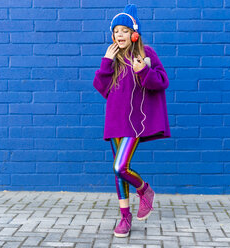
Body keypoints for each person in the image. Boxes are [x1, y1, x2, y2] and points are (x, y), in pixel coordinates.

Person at [93, 4, 171, 238]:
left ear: (134, 33)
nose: (120, 35)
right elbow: (101, 88)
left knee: (120, 167)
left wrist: (143, 71)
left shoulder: (145, 54)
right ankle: (124, 218)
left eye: (125, 31)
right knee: (118, 172)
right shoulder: (113, 57)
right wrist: (106, 63)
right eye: (116, 31)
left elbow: (162, 81)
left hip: (134, 123)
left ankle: (144, 190)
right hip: (114, 121)